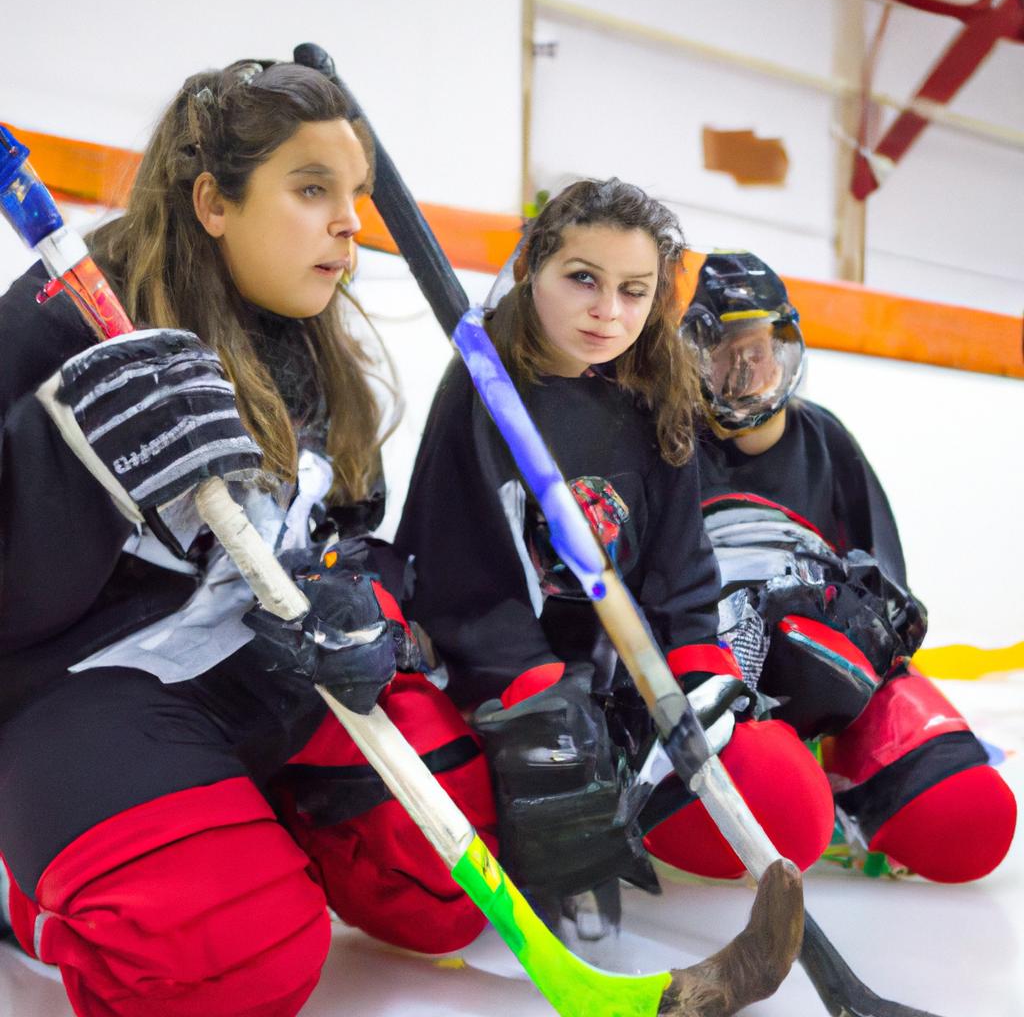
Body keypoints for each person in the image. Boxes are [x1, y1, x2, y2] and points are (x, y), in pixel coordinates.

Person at [0, 54, 496, 1017]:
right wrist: (66, 451)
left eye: (353, 192)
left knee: (443, 880)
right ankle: (31, 875)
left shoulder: (314, 338)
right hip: (81, 688)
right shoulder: (69, 315)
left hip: (253, 674)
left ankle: (234, 821)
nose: (351, 220)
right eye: (313, 189)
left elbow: (346, 534)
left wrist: (359, 605)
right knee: (223, 964)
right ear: (213, 203)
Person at [394, 179, 836, 933]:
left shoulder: (654, 393)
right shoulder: (486, 384)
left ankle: (623, 807)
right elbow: (457, 579)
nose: (609, 312)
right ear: (533, 267)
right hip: (501, 691)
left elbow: (679, 566)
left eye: (634, 291)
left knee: (788, 801)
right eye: (583, 280)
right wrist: (536, 700)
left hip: (614, 690)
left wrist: (700, 671)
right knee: (440, 890)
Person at [672, 249, 1017, 883]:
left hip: (829, 674)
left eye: (759, 348)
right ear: (697, 355)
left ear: (786, 350)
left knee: (967, 812)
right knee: (785, 815)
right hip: (718, 684)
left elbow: (888, 588)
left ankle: (840, 765)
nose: (745, 369)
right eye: (725, 351)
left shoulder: (825, 439)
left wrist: (857, 640)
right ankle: (795, 780)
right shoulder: (670, 440)